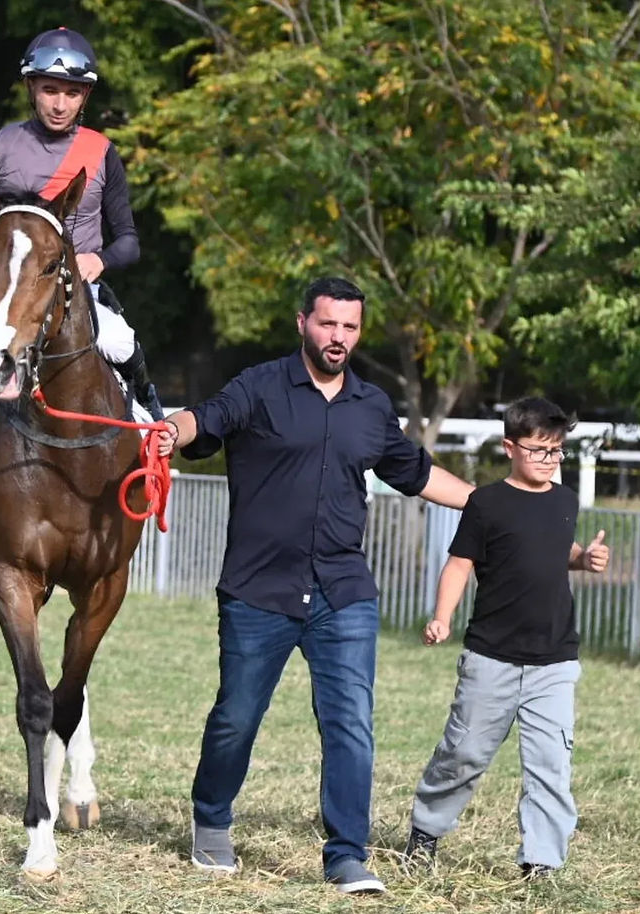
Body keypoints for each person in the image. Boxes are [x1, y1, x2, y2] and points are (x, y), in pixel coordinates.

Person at [155, 276, 474, 895]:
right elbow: (209, 418)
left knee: (351, 721)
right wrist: (174, 430)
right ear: (303, 321)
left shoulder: (371, 406)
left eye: (350, 327)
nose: (339, 337)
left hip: (343, 589)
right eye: (328, 324)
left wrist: (489, 508)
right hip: (259, 589)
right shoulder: (261, 386)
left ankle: (347, 854)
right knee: (237, 716)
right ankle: (212, 820)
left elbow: (415, 473)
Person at [403, 396, 610, 880]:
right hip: (490, 658)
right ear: (510, 447)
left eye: (557, 451)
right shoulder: (486, 503)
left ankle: (541, 862)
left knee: (549, 765)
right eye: (539, 450)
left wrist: (584, 560)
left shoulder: (564, 500)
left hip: (555, 661)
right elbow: (460, 563)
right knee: (464, 754)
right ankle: (426, 830)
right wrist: (442, 616)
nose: (549, 460)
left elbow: (556, 550)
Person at [0, 26, 163, 456]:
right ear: (31, 88)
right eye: (49, 90)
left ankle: (151, 417)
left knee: (119, 339)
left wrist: (99, 259)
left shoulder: (102, 153)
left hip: (77, 291)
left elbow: (129, 242)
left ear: (85, 97)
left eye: (72, 93)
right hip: (11, 297)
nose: (60, 104)